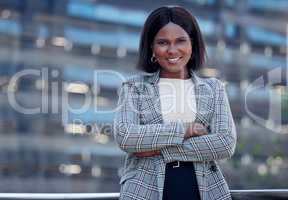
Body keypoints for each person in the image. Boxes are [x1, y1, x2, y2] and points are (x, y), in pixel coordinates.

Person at [114, 5, 237, 200]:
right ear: (152, 48)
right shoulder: (133, 87)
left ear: (193, 44)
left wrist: (156, 149)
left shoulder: (214, 88)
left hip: (205, 191)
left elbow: (225, 143)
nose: (172, 50)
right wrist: (186, 130)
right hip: (144, 191)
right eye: (163, 42)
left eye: (180, 41)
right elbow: (126, 136)